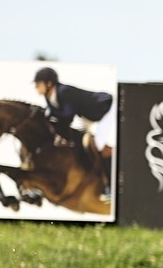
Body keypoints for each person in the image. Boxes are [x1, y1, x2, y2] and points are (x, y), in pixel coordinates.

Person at [32, 67, 115, 197]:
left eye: (38, 83)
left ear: (49, 83)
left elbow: (68, 115)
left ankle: (110, 186)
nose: (36, 87)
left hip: (105, 110)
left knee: (98, 145)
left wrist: (49, 114)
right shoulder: (48, 97)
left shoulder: (64, 91)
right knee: (80, 145)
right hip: (87, 117)